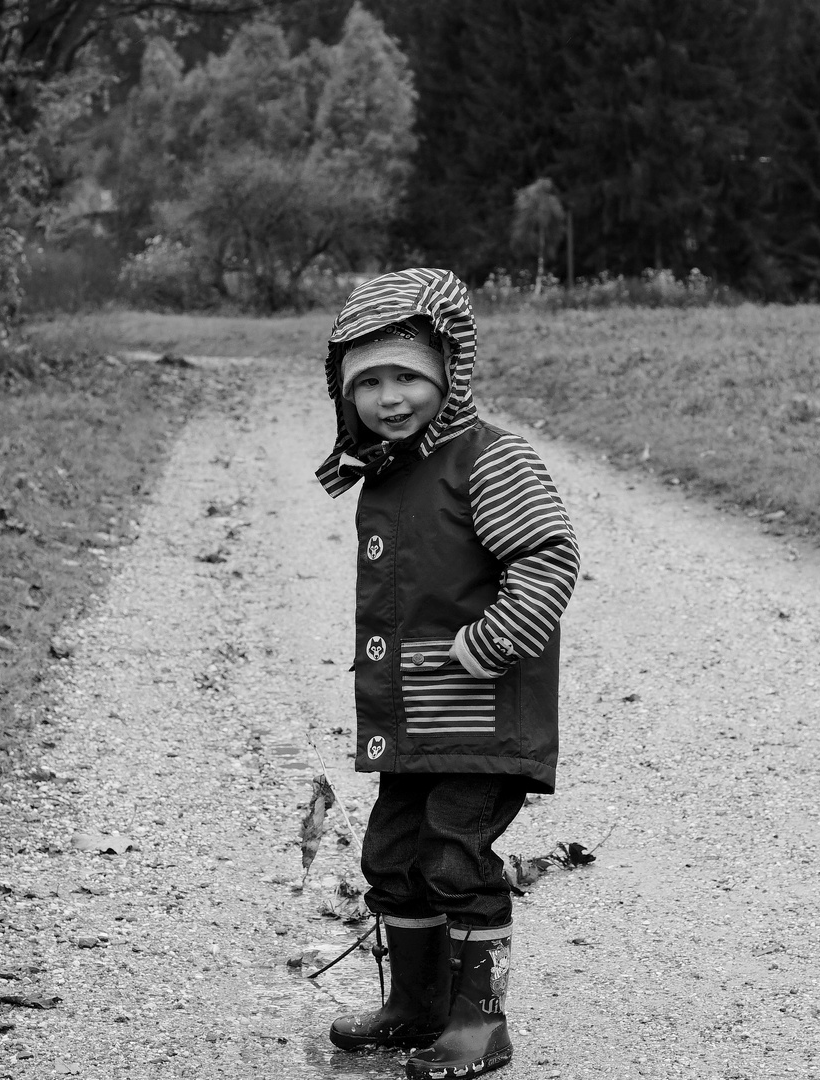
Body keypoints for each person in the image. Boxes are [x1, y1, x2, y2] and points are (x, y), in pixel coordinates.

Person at [315, 268, 580, 1079]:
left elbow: (548, 556)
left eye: (408, 377)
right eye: (369, 382)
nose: (389, 398)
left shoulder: (491, 461)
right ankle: (417, 1009)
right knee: (393, 859)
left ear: (449, 374)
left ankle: (479, 1025)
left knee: (453, 861)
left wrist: (495, 639)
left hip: (483, 718)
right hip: (417, 724)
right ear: (344, 390)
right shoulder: (393, 470)